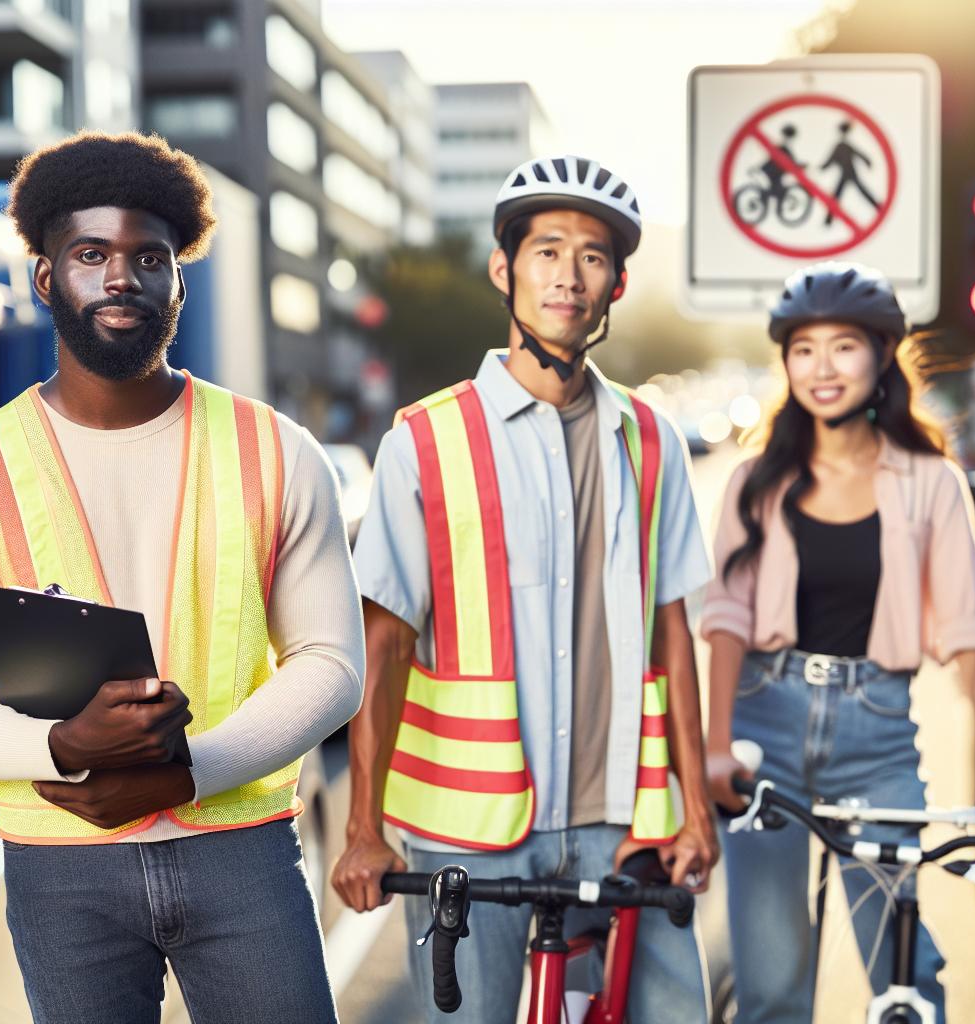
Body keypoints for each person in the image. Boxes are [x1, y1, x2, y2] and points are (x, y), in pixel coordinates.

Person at [0, 131, 362, 1024]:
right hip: (60, 860)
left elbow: (332, 665)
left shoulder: (278, 452)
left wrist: (187, 775)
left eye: (149, 257)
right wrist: (62, 747)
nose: (122, 277)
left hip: (240, 845)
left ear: (178, 285)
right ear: (45, 279)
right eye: (90, 254)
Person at [331, 155, 717, 1023]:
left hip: (627, 825)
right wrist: (364, 829)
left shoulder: (653, 442)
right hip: (467, 833)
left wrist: (697, 808)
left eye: (592, 257)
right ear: (505, 270)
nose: (569, 276)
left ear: (616, 283)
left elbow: (673, 637)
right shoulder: (423, 441)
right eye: (548, 251)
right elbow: (382, 642)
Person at [702, 262, 975, 1023]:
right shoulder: (754, 481)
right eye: (803, 350)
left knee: (908, 973)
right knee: (772, 985)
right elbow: (726, 622)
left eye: (844, 347)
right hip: (762, 729)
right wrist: (715, 747)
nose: (822, 368)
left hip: (873, 734)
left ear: (881, 356)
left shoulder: (930, 482)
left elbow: (973, 635)